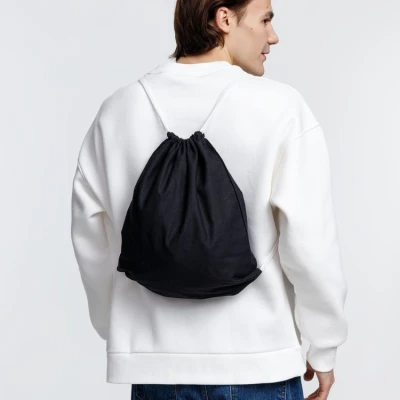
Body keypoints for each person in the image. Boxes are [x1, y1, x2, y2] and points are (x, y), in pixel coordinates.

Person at [70, 0, 348, 399]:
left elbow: (90, 239)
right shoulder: (282, 108)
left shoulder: (116, 111)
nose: (273, 36)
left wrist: (123, 332)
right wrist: (323, 345)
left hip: (154, 368)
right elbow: (311, 245)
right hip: (257, 361)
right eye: (265, 20)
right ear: (224, 19)